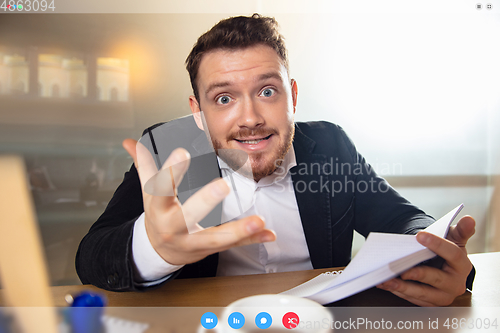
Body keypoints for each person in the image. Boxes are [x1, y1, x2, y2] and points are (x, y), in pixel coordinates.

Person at [76, 14, 475, 306]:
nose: (250, 118)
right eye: (224, 98)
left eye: (268, 91)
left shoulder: (329, 145)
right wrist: (154, 247)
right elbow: (92, 256)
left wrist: (441, 256)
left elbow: (402, 219)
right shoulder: (172, 151)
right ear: (198, 113)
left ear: (293, 96)